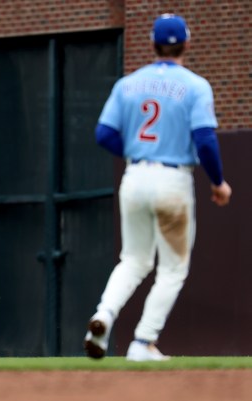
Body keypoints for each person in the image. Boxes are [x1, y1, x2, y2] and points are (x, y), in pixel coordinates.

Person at [83, 13, 232, 362]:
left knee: (133, 259)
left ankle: (103, 316)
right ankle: (142, 342)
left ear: (152, 44)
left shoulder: (127, 84)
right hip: (172, 179)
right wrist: (218, 182)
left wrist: (136, 153)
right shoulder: (195, 85)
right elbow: (205, 140)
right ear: (187, 44)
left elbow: (103, 134)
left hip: (134, 176)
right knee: (172, 268)